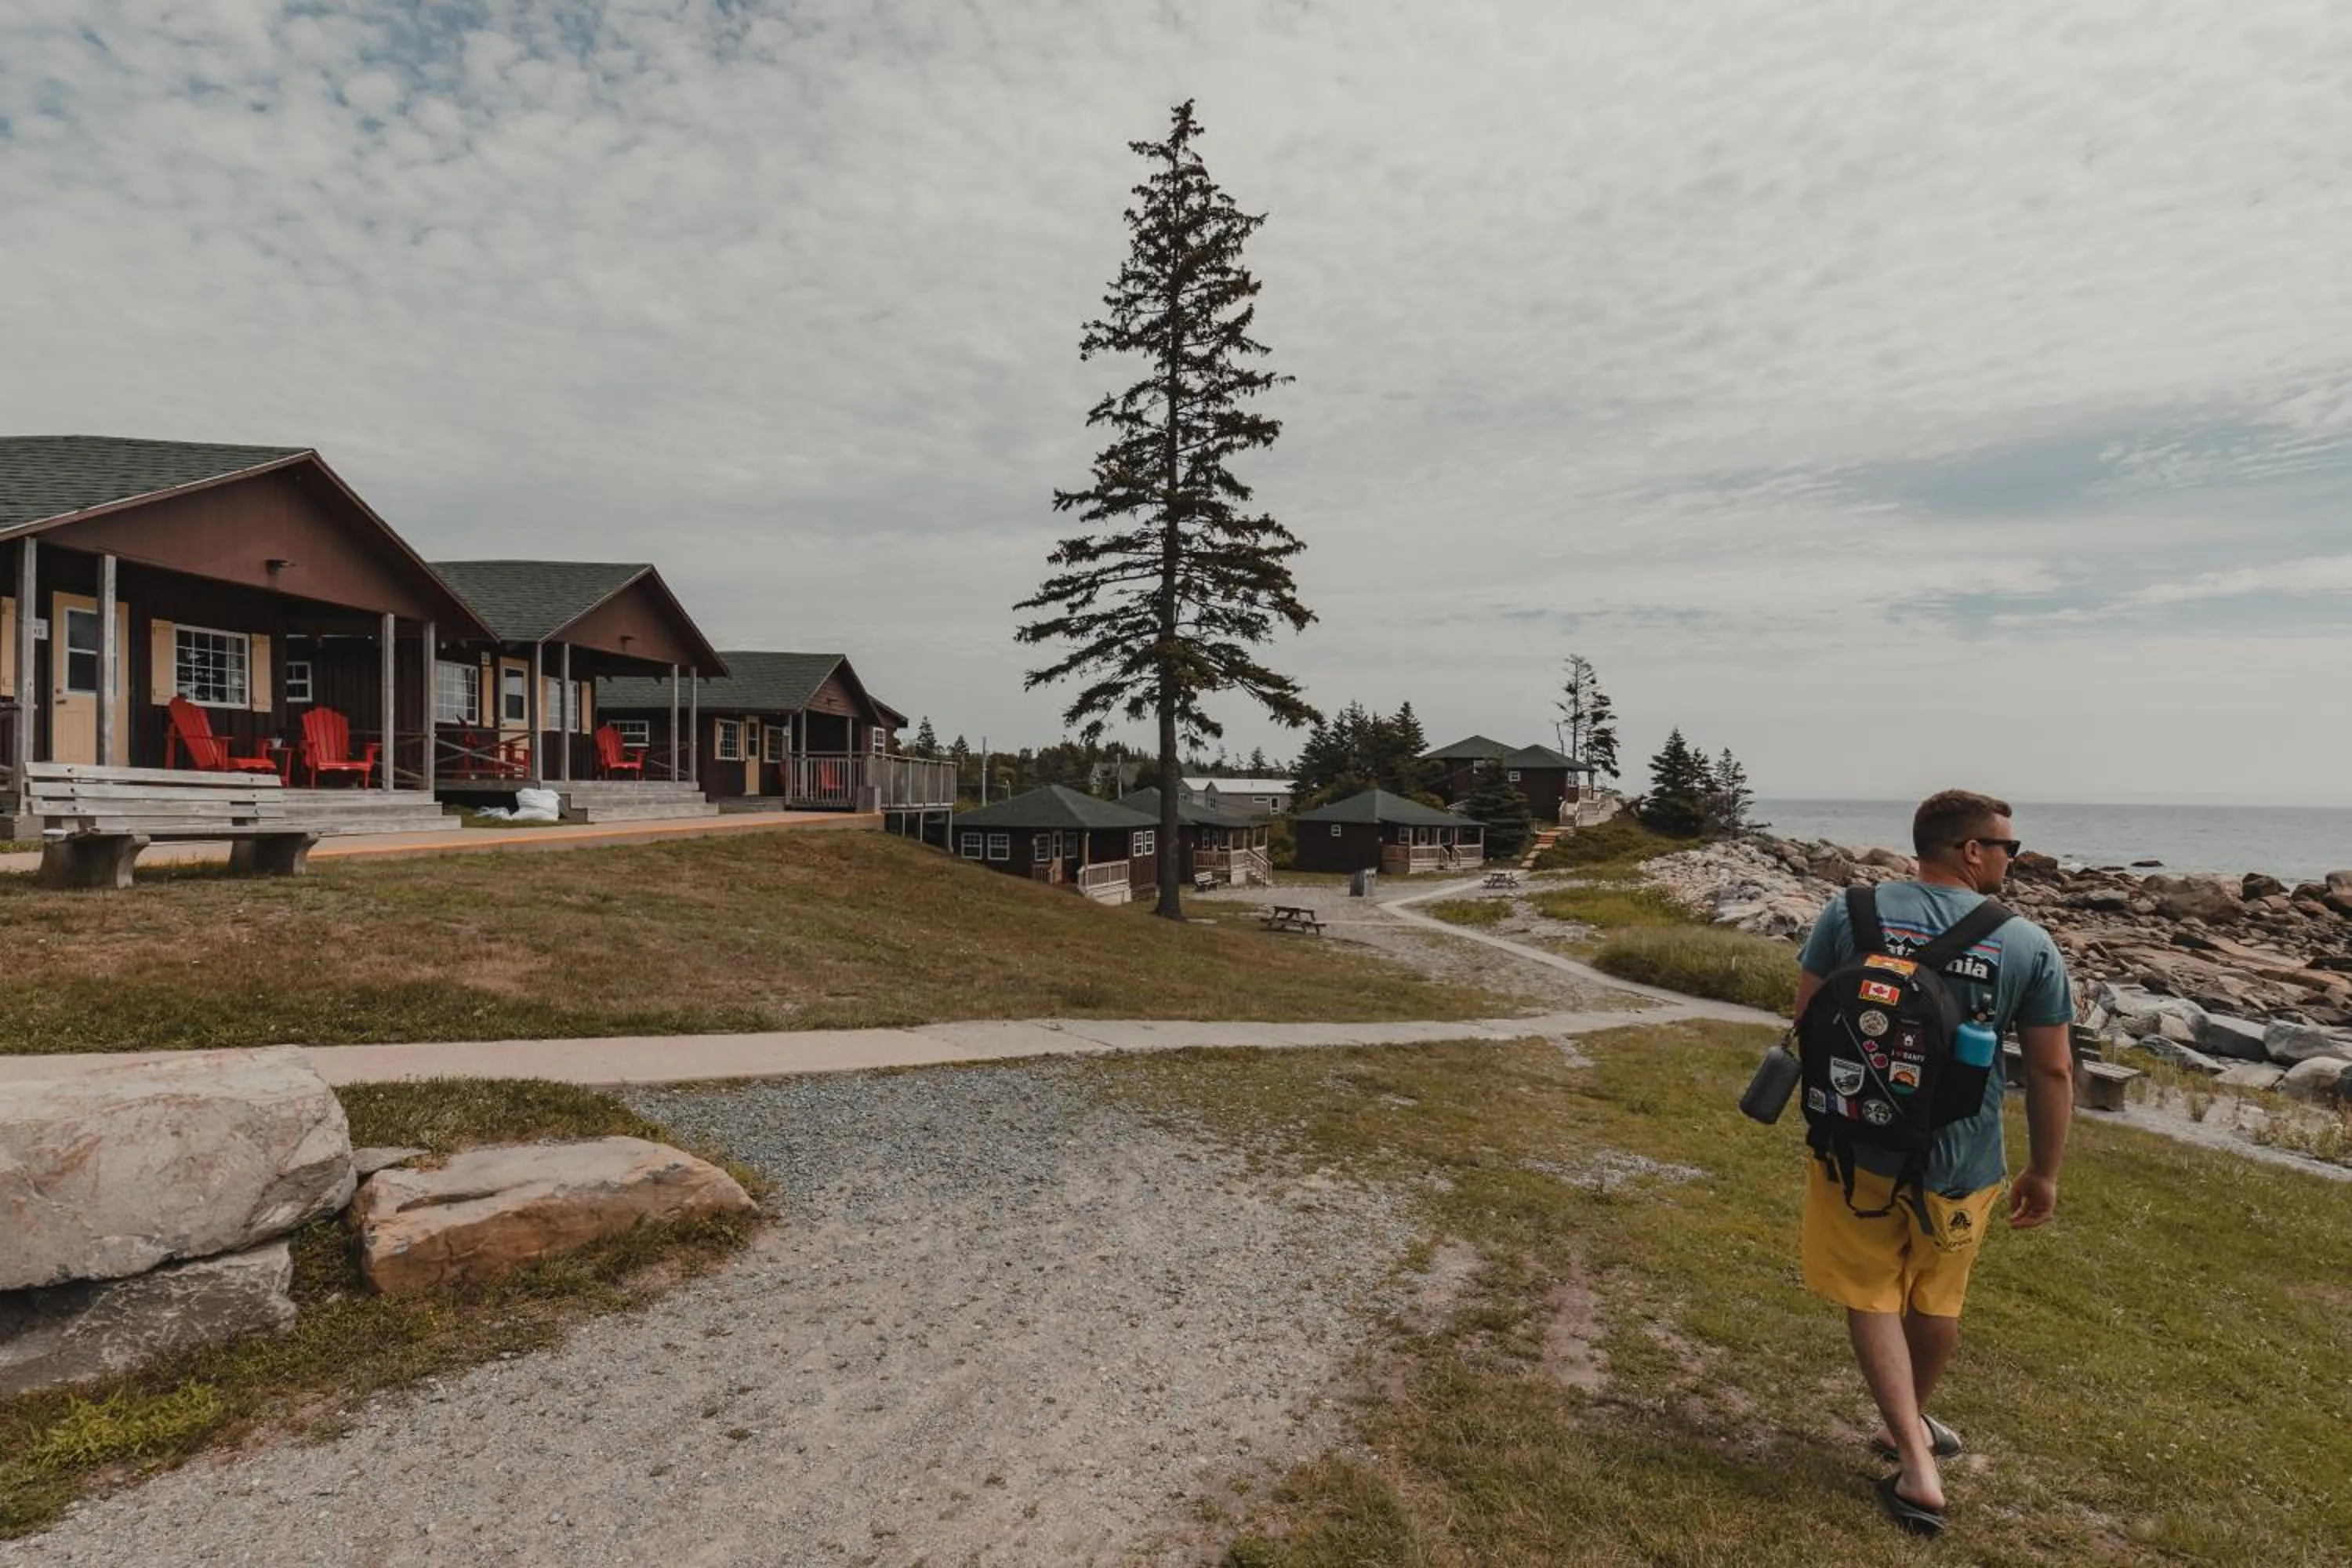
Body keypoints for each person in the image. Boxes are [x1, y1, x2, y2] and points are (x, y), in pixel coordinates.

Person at [1792, 789, 2075, 1537]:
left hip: (1856, 1148)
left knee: (1871, 1291)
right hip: (1964, 1159)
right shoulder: (2025, 944)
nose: (2016, 859)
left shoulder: (1848, 913)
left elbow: (1806, 1019)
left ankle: (1907, 1441)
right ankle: (1915, 1453)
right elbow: (2051, 1073)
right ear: (1971, 851)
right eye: (2009, 848)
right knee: (1935, 1299)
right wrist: (2044, 1172)